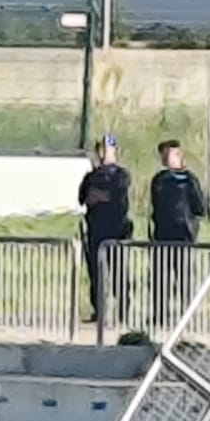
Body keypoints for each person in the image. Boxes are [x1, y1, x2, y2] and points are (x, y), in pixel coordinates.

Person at [148, 140, 207, 331]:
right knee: (160, 278)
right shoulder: (159, 180)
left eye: (171, 154)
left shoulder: (189, 179)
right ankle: (160, 314)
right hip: (162, 235)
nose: (167, 158)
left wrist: (192, 228)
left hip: (183, 235)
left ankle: (187, 316)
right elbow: (155, 206)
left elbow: (199, 208)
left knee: (184, 277)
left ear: (180, 156)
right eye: (164, 155)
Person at [78, 135, 132, 327]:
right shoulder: (91, 176)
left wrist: (98, 195)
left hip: (115, 230)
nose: (102, 154)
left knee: (118, 273)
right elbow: (84, 197)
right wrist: (97, 196)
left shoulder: (120, 174)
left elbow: (114, 195)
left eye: (106, 149)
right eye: (100, 149)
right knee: (96, 274)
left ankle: (123, 312)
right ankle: (99, 311)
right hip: (95, 231)